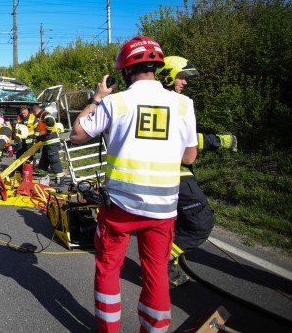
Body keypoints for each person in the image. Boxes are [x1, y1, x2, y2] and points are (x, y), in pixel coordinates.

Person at [69, 36, 198, 333]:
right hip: (163, 208)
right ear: (157, 66)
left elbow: (77, 134)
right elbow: (189, 157)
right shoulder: (183, 104)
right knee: (156, 275)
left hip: (120, 207)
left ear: (125, 71)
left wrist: (97, 97)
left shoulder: (117, 102)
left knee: (109, 270)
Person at [156, 56, 237, 288]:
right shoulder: (176, 103)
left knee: (172, 224)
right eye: (181, 77)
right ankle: (161, 262)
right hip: (177, 174)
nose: (185, 82)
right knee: (200, 223)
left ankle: (163, 266)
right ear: (168, 76)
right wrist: (217, 141)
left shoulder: (160, 101)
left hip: (164, 174)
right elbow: (186, 143)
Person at [32, 103, 65, 187]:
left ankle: (60, 181)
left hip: (51, 142)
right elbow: (43, 131)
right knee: (43, 162)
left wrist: (49, 131)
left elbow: (50, 121)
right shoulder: (41, 117)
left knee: (54, 161)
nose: (33, 115)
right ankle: (42, 178)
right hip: (46, 143)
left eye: (33, 113)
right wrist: (39, 138)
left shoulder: (45, 114)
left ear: (36, 111)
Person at [15, 105, 36, 174]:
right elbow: (17, 128)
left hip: (30, 139)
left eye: (25, 113)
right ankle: (19, 170)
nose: (23, 115)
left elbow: (37, 128)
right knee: (19, 154)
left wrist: (35, 139)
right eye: (22, 113)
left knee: (29, 156)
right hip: (21, 140)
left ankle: (30, 170)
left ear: (28, 111)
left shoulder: (33, 117)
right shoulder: (19, 117)